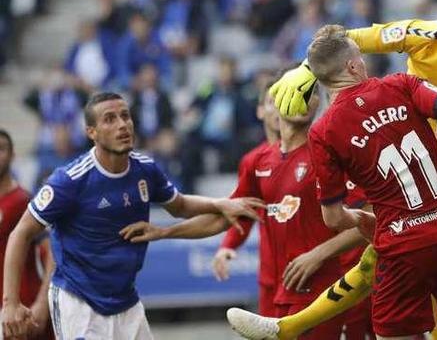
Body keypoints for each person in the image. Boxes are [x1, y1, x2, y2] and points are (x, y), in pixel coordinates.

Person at [265, 0, 437, 337]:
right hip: (416, 151)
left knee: (387, 255)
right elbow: (356, 39)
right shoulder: (421, 39)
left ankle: (290, 326)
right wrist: (308, 67)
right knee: (429, 264)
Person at [227, 24, 437, 340]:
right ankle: (286, 328)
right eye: (360, 57)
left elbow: (333, 218)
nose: (364, 63)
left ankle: (286, 329)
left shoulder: (324, 132)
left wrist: (361, 218)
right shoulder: (400, 84)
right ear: (351, 65)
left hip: (404, 244)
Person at [1, 93, 264, 340]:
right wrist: (11, 303)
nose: (122, 125)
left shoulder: (145, 170)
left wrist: (221, 203)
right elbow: (21, 232)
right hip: (79, 302)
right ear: (91, 133)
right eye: (109, 119)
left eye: (125, 116)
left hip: (126, 300)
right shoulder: (70, 180)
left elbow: (180, 206)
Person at [120, 84, 368, 339]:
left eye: (309, 94)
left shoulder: (327, 155)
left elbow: (368, 219)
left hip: (327, 284)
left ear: (318, 104)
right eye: (284, 95)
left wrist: (318, 254)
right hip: (278, 286)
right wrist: (164, 232)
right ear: (262, 110)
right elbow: (231, 214)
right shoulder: (259, 161)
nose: (301, 100)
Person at [213, 76, 282, 317]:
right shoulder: (254, 161)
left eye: (286, 99)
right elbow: (243, 210)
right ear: (260, 111)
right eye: (273, 101)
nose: (280, 107)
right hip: (271, 279)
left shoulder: (317, 151)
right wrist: (227, 246)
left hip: (314, 276)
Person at [0, 130, 54, 340]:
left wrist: (42, 304)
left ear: (13, 156)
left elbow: (52, 255)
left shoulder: (23, 201)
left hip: (22, 310)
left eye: (2, 149)